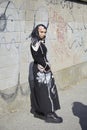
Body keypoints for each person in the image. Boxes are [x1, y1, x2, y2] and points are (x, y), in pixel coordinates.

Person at [29, 24, 63, 123]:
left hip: (43, 69)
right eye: (41, 32)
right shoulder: (35, 42)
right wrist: (46, 66)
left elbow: (41, 56)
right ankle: (49, 115)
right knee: (46, 92)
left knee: (47, 90)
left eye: (44, 32)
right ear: (36, 31)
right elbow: (37, 57)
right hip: (42, 70)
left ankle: (40, 112)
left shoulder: (39, 41)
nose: (43, 34)